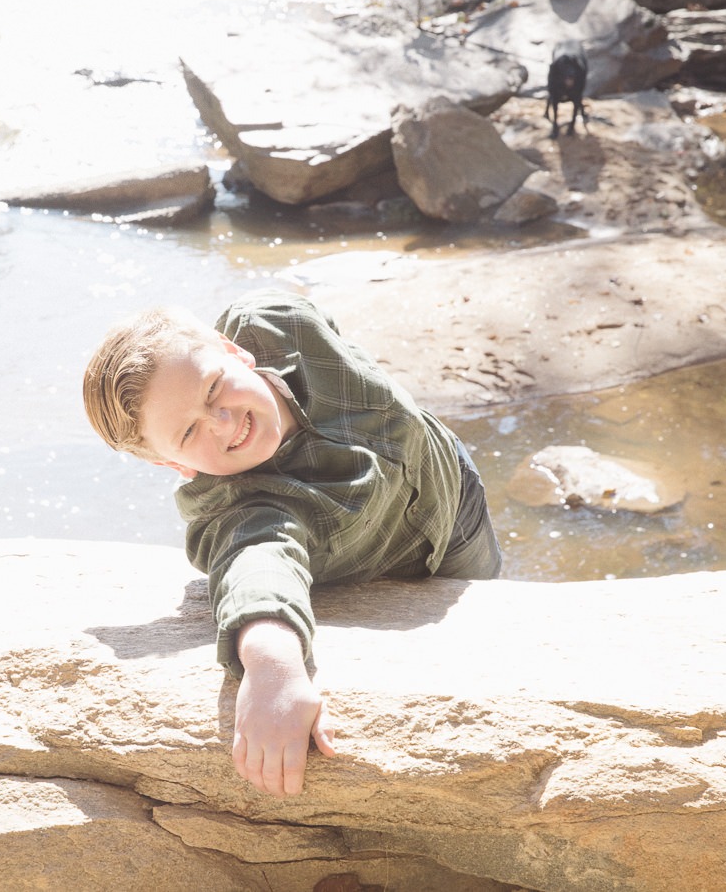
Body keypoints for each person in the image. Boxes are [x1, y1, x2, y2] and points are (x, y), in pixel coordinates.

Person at [82, 289, 503, 797]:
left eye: (215, 386)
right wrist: (272, 667)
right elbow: (257, 568)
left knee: (490, 602)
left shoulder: (281, 326)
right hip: (401, 562)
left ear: (233, 350)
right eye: (190, 431)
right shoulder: (245, 510)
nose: (222, 422)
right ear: (172, 464)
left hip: (455, 494)